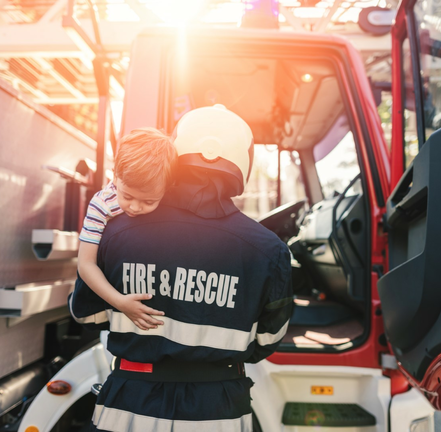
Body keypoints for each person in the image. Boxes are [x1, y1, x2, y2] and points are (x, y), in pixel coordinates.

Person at [69, 104, 294, 431]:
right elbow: (267, 341)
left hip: (129, 406)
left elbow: (86, 315)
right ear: (242, 165)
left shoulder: (115, 230)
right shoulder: (270, 251)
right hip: (217, 411)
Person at [77, 127, 177, 331]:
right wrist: (119, 302)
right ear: (115, 176)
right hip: (112, 299)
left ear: (167, 188)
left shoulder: (169, 200)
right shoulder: (102, 204)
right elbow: (86, 264)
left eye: (148, 201)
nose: (134, 207)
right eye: (127, 196)